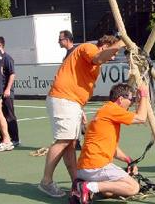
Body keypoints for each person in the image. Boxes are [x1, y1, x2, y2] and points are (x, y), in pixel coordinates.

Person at [38, 35, 126, 198]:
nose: (113, 57)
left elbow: (80, 81)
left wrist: (80, 109)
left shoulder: (94, 61)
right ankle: (46, 181)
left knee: (70, 143)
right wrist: (121, 42)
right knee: (63, 140)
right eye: (113, 52)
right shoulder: (90, 48)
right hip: (64, 99)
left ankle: (76, 182)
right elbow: (99, 58)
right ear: (105, 45)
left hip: (72, 102)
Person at [71, 83, 149, 204]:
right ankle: (88, 187)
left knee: (109, 192)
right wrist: (144, 95)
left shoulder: (105, 110)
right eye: (131, 99)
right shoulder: (113, 110)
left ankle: (84, 184)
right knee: (133, 187)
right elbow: (141, 118)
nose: (132, 102)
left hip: (84, 168)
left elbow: (112, 149)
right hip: (96, 166)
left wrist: (129, 160)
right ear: (121, 99)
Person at [0, 36, 20, 148]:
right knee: (0, 115)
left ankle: (15, 139)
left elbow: (12, 74)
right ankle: (3, 137)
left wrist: (7, 89)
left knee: (9, 115)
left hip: (7, 92)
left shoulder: (7, 58)